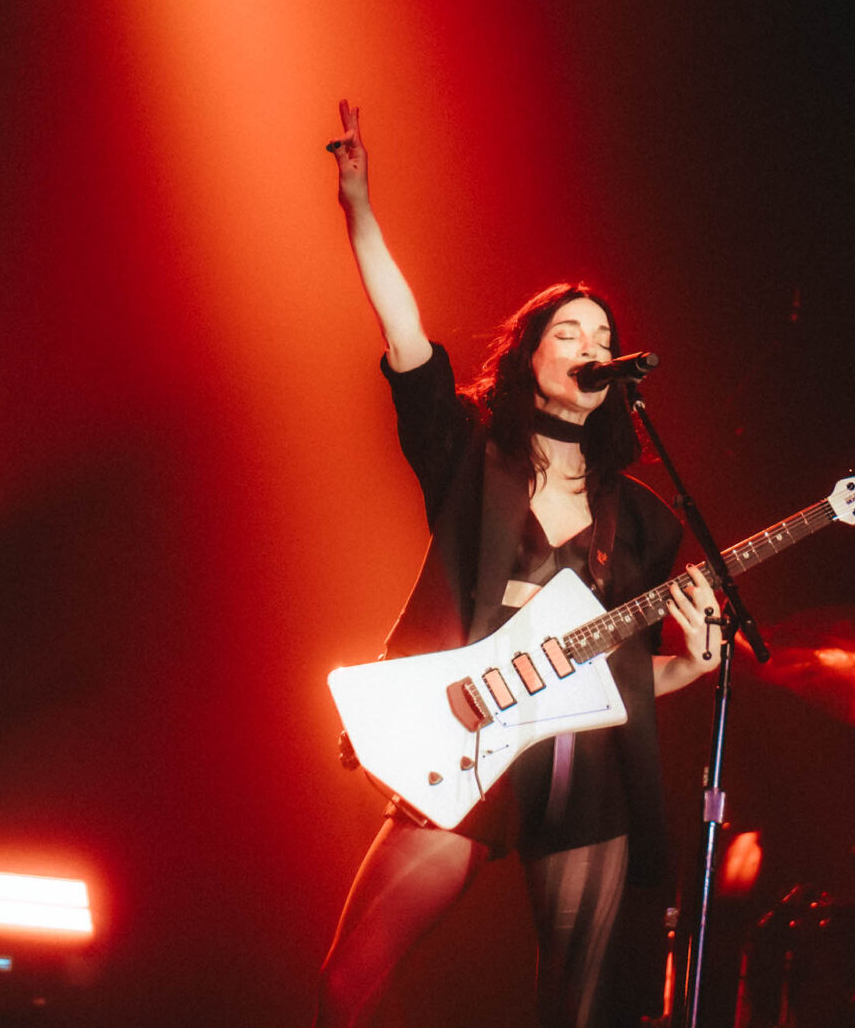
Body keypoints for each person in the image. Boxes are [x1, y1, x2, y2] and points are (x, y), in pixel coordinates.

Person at [315, 100, 723, 1027]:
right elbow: (406, 340)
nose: (591, 349)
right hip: (460, 735)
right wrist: (359, 208)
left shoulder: (643, 520)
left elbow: (621, 680)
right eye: (569, 333)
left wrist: (692, 666)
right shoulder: (472, 453)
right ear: (530, 352)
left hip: (581, 768)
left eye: (603, 340)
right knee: (346, 984)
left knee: (572, 1010)